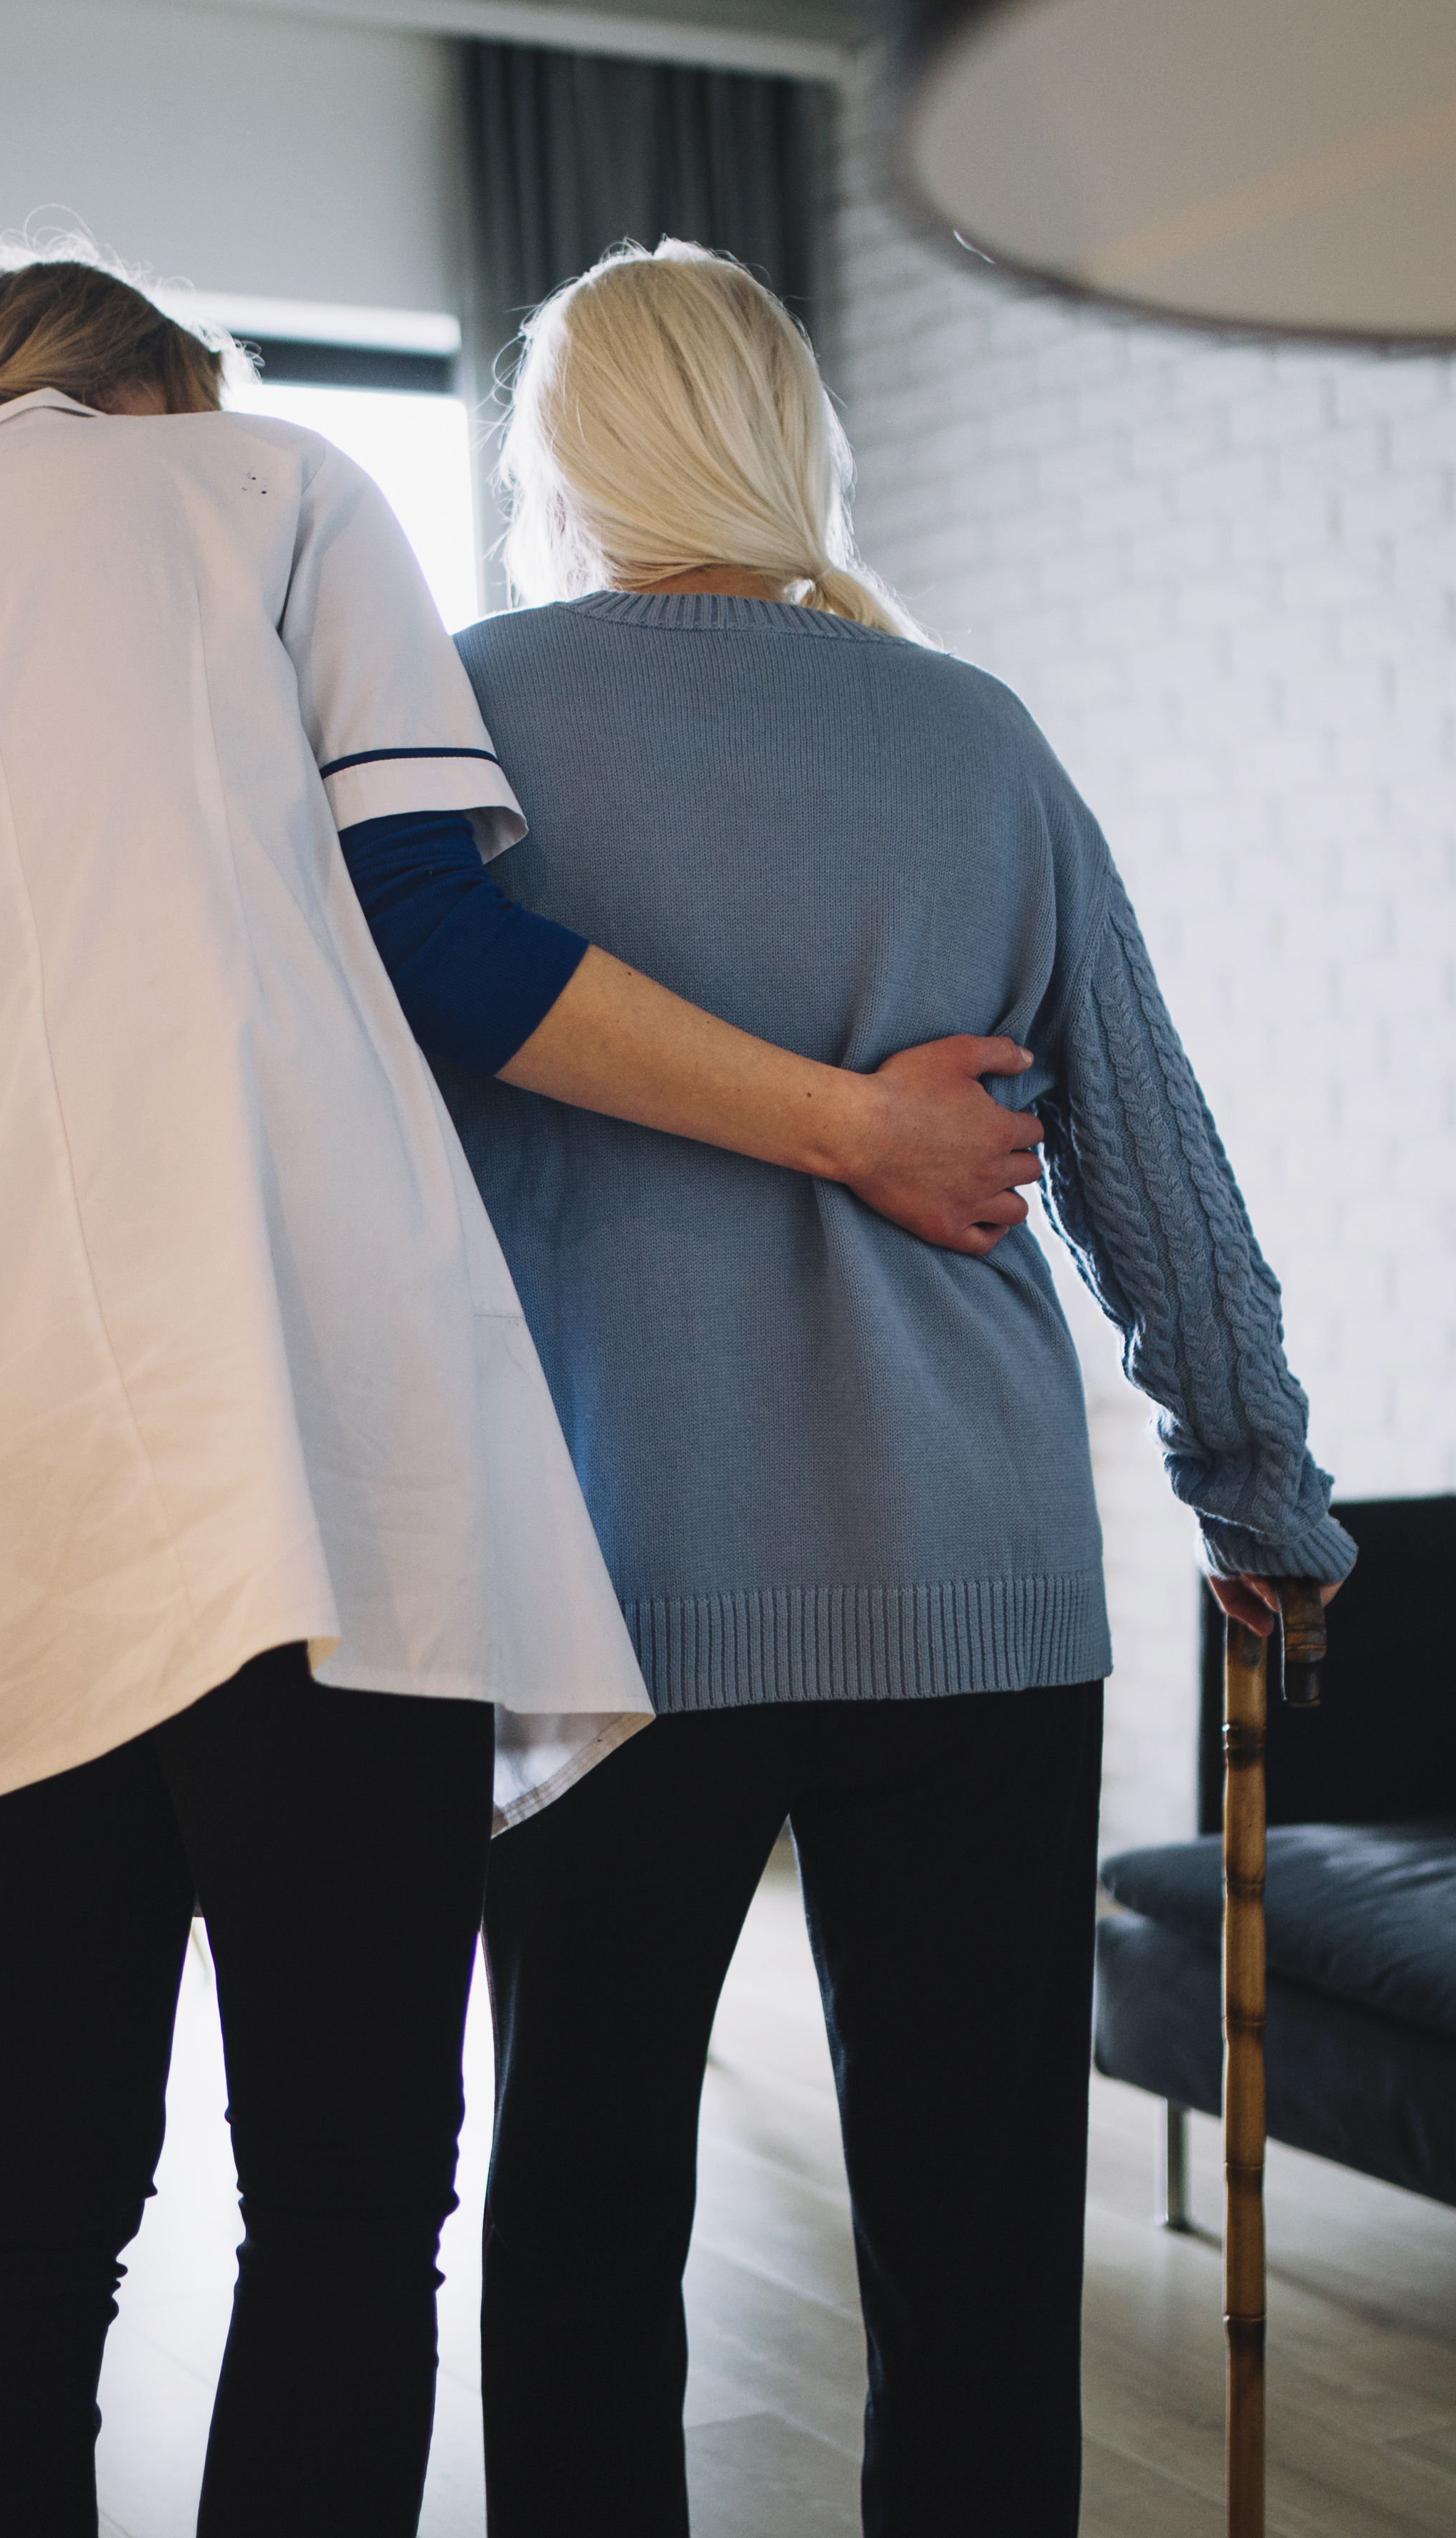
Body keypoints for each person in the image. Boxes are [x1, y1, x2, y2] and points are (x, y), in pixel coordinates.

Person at [0, 246, 1041, 2538]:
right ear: (164, 384)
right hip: (317, 1505)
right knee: (340, 2197)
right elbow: (438, 932)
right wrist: (845, 1124)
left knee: (25, 2194)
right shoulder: (273, 485)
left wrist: (10, 1280)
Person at [443, 241, 1357, 2538]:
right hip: (977, 1577)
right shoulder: (970, 729)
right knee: (971, 2247)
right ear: (793, 438)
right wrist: (1260, 1498)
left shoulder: (463, 721)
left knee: (575, 2219)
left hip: (609, 1597)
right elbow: (1145, 1155)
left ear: (563, 456)